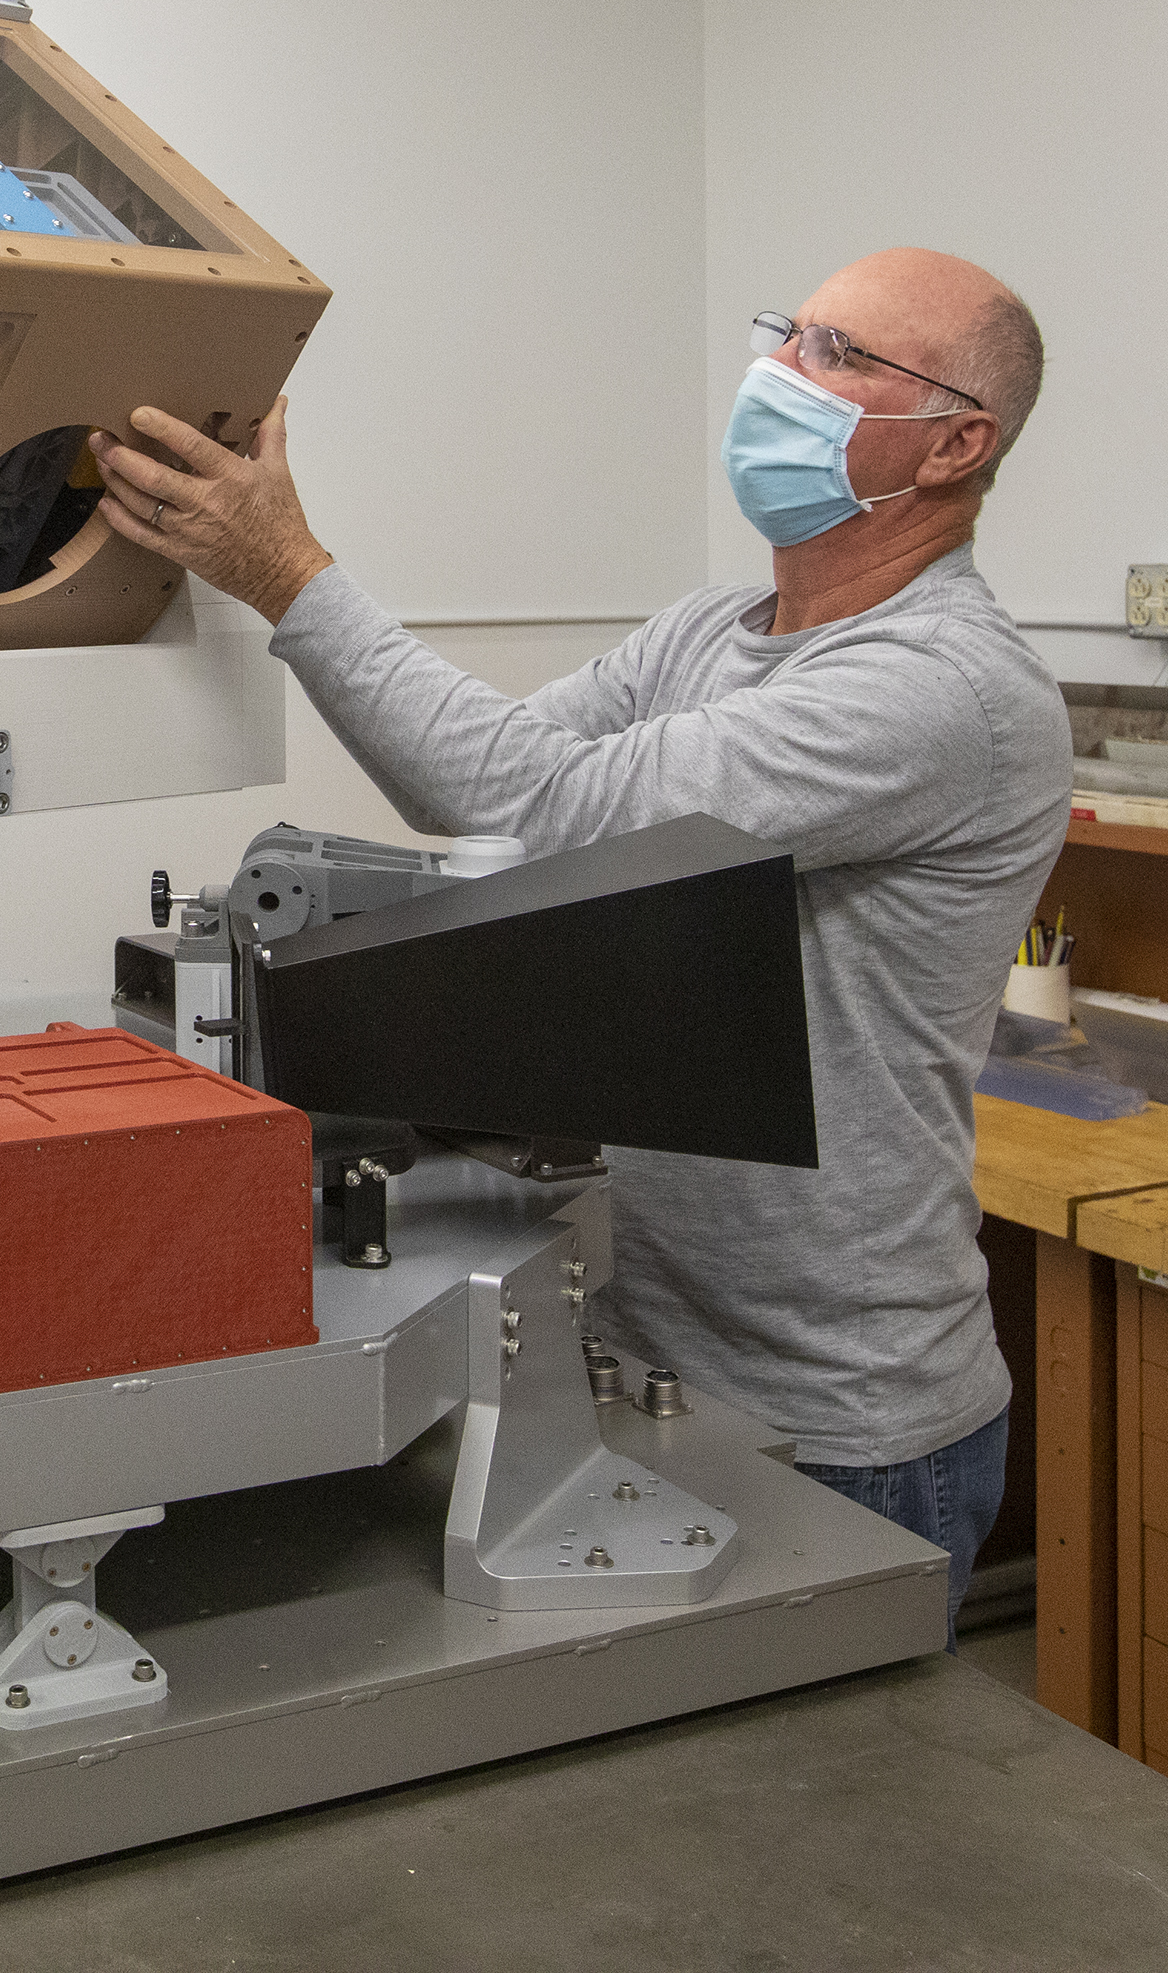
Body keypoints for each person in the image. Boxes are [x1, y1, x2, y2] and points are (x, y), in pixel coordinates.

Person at [90, 247, 1064, 1642]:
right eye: (792, 335)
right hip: (652, 1360)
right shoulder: (711, 638)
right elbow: (497, 789)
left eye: (844, 359)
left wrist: (287, 572)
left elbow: (530, 806)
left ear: (959, 441)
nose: (785, 375)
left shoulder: (942, 690)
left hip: (850, 1419)